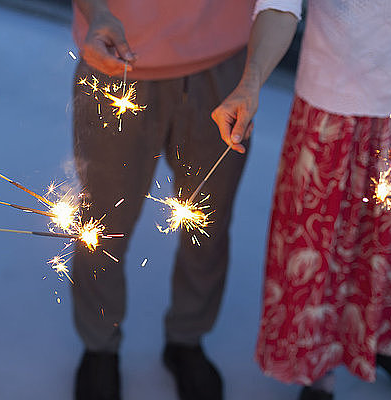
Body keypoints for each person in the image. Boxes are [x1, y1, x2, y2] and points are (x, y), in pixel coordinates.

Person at [211, 1, 391, 399]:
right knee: (315, 249)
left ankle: (383, 343)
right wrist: (251, 81)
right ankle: (315, 372)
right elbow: (280, 3)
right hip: (330, 105)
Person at [71, 1, 254, 399]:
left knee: (208, 219)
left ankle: (187, 337)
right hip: (114, 55)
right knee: (99, 225)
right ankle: (99, 345)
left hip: (224, 63)